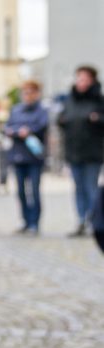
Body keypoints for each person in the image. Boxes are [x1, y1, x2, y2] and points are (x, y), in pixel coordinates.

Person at [58, 65, 104, 237]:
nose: (81, 82)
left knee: (91, 188)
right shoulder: (70, 100)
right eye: (79, 78)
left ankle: (95, 222)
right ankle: (81, 221)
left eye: (84, 78)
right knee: (78, 189)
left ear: (92, 80)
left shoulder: (98, 100)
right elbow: (61, 119)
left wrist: (97, 119)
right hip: (74, 152)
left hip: (92, 153)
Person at [4, 80, 49, 235]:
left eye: (30, 92)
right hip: (18, 156)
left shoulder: (42, 110)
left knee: (34, 191)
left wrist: (27, 130)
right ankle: (25, 221)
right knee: (21, 192)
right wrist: (20, 131)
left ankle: (34, 223)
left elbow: (41, 127)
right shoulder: (15, 110)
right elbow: (8, 127)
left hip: (34, 158)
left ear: (36, 94)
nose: (27, 95)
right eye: (25, 92)